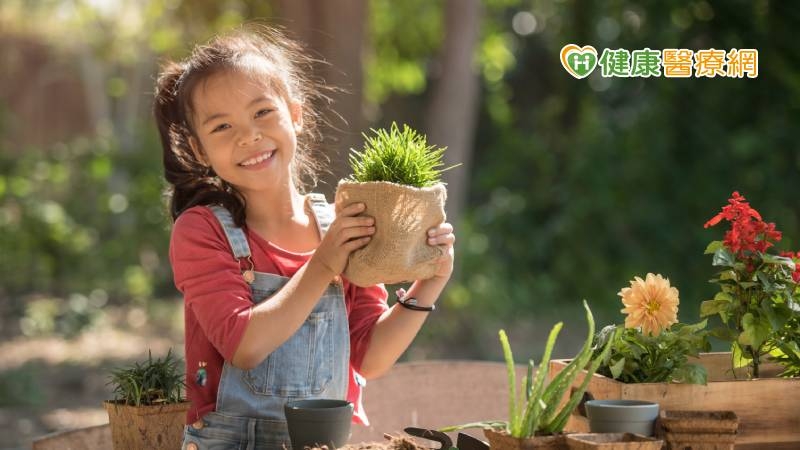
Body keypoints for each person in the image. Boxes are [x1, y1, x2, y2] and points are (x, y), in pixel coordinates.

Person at [153, 25, 455, 449]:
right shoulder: (201, 231)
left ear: (295, 114)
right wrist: (325, 264)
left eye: (263, 112)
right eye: (222, 127)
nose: (249, 136)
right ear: (200, 150)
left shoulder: (341, 226)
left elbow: (370, 356)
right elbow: (245, 345)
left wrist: (431, 280)